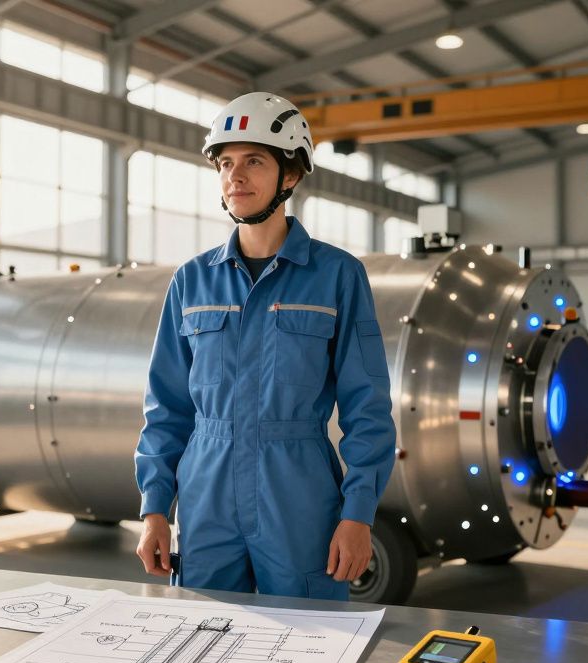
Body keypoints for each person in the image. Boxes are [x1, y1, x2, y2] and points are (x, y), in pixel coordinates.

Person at [133, 92, 396, 601]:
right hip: (206, 501)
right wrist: (155, 509)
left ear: (291, 175)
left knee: (310, 648)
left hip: (299, 497)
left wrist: (358, 513)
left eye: (254, 161)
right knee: (200, 647)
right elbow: (167, 407)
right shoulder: (192, 282)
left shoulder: (337, 276)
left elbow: (367, 406)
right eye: (226, 163)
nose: (236, 176)